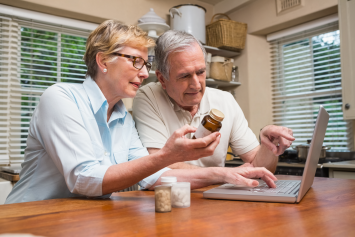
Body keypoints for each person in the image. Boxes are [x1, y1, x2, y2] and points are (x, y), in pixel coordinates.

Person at [6, 21, 277, 204]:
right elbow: (84, 179)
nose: (145, 72)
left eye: (145, 63)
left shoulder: (122, 116)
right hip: (28, 220)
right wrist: (168, 156)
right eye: (136, 61)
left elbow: (151, 177)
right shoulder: (60, 99)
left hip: (80, 221)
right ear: (103, 61)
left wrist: (224, 175)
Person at [132, 30, 295, 172]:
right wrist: (223, 175)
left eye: (201, 72)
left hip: (216, 201)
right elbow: (158, 166)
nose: (196, 84)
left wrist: (268, 146)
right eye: (184, 76)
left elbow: (262, 167)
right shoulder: (148, 96)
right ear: (162, 79)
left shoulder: (225, 100)